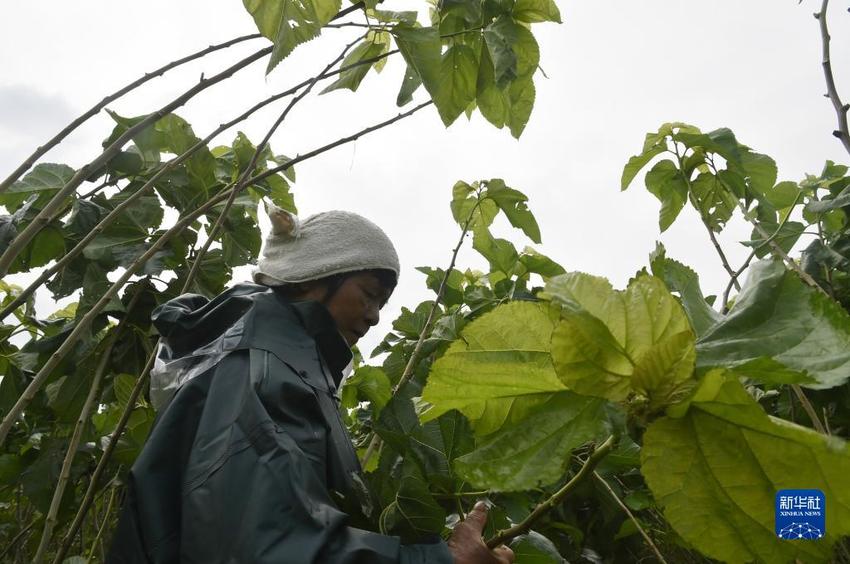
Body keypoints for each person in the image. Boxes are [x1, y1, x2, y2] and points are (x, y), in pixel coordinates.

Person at [108, 207, 514, 564]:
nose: (374, 317)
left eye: (381, 305)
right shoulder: (264, 368)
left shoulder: (283, 361)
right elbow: (267, 547)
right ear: (317, 275)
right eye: (369, 295)